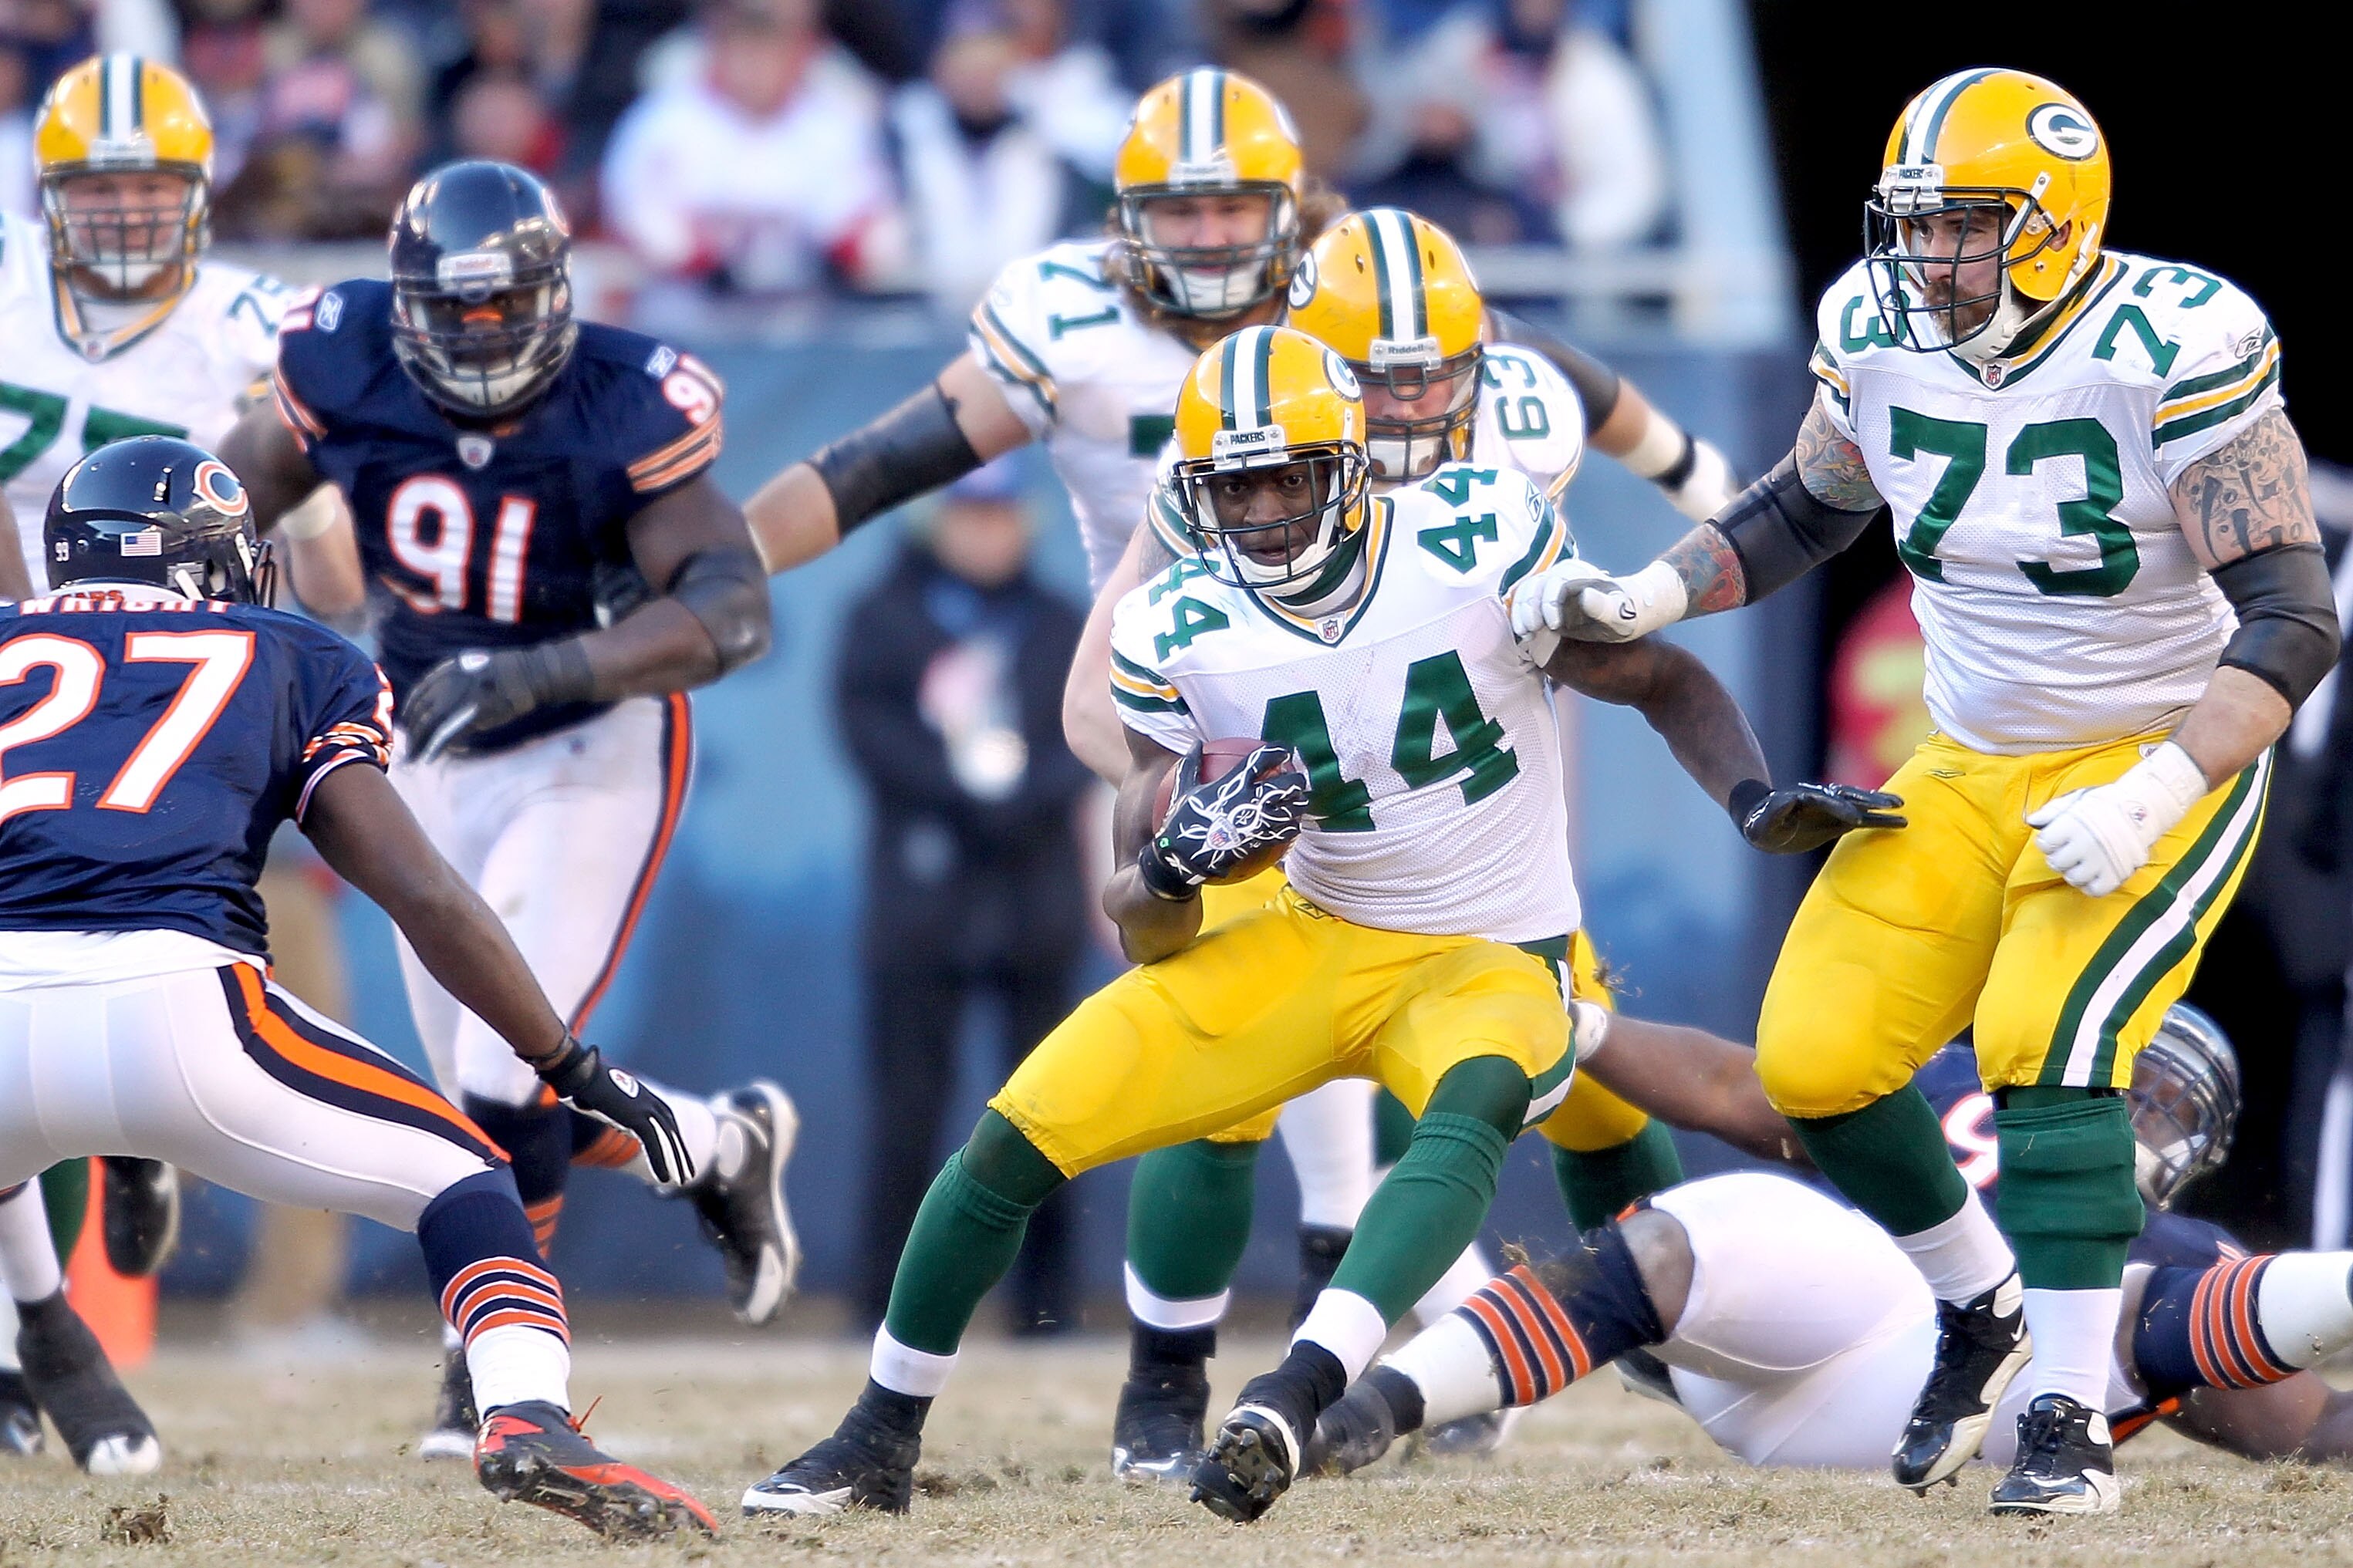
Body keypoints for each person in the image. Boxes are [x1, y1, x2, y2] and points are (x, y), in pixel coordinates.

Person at [741, 324, 1880, 1523]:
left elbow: (1659, 681)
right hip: (1319, 929)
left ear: (1353, 462)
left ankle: (1295, 1387)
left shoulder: (1473, 535)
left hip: (1492, 951)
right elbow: (1142, 923)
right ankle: (877, 1432)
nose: (1269, 509)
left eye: (1292, 475)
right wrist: (1176, 866)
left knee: (1479, 1095)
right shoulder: (1171, 628)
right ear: (1194, 497)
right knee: (1021, 1128)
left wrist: (1753, 801)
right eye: (1237, 486)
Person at [1517, 69, 2341, 1512]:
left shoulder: (2177, 338)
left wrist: (2153, 794)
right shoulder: (1877, 326)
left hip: (2160, 744)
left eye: (1967, 226)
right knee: (1820, 1059)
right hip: (1967, 753)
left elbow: (2292, 617)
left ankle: (2068, 1417)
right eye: (1916, 224)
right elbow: (1809, 503)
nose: (1931, 259)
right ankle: (1982, 1299)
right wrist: (1650, 589)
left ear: (2057, 225)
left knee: (2045, 1040)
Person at [1091, 207, 1754, 1481]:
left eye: (1434, 375)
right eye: (1380, 381)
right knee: (1218, 1071)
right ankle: (1162, 1385)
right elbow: (1115, 679)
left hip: (1471, 798)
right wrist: (1158, 802)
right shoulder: (1252, 457)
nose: (1411, 407)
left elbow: (1628, 437)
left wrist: (1720, 499)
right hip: (1287, 819)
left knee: (1581, 1069)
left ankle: (1652, 1316)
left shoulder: (1523, 412)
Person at [0, 435, 716, 1541]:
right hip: (182, 1007)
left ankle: (44, 1325)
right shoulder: (291, 651)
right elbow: (419, 889)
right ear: (214, 562)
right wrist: (564, 1061)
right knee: (470, 1182)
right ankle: (524, 1412)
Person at [216, 158, 797, 1457]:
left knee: (496, 1075)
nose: (480, 339)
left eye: (503, 310)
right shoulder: (341, 351)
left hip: (587, 741)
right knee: (486, 1100)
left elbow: (732, 606)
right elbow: (227, 498)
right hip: (425, 734)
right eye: (453, 314)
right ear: (406, 303)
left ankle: (485, 1371)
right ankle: (712, 1141)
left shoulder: (625, 397)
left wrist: (549, 665)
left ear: (556, 293)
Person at [0, 52, 366, 1465]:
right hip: (36, 673)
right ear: (50, 201)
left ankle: (248, 1259)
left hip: (202, 689)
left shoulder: (256, 327)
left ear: (204, 194)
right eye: (103, 190)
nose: (133, 218)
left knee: (245, 962)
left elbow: (319, 567)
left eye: (157, 188)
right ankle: (48, 1304)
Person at [1314, 1006, 2353, 1481]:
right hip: (1827, 1295)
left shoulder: (2178, 1244)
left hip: (1936, 1408)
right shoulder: (1952, 1086)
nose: (2140, 1116)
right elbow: (1735, 1090)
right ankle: (1361, 1414)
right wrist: (1575, 1025)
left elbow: (2302, 1428)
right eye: (2139, 1082)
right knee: (1698, 1231)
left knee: (2118, 1302)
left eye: (2170, 1109)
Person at [835, 460, 1092, 1333]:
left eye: (1001, 514)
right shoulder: (884, 618)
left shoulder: (1059, 622)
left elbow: (1092, 729)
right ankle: (886, 1299)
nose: (986, 532)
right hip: (921, 892)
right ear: (939, 520)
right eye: (969, 514)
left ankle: (1047, 1306)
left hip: (1035, 891)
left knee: (1050, 1108)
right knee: (908, 1105)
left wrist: (1022, 801)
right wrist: (962, 797)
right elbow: (867, 732)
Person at [598, 0, 905, 298]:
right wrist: (706, 255)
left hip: (815, 310)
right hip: (687, 307)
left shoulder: (835, 122)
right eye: (746, 54)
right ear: (719, 52)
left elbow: (873, 231)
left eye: (770, 54)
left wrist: (841, 248)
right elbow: (636, 216)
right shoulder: (664, 121)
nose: (758, 69)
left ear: (797, 57)